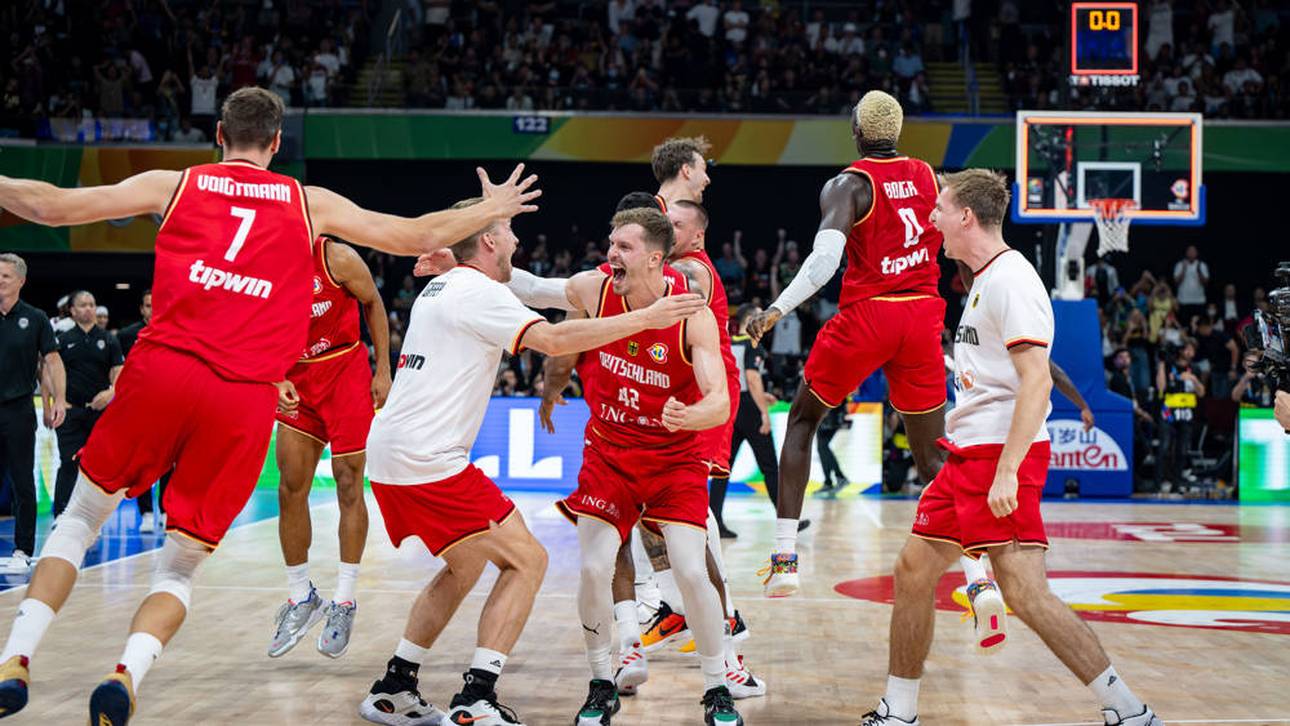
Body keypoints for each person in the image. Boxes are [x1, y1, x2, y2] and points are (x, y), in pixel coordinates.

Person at [0, 86, 541, 725]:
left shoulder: (175, 184)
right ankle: (127, 672)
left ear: (219, 137)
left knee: (83, 515)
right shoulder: (308, 204)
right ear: (278, 143)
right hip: (243, 395)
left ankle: (16, 660)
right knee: (178, 566)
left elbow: (51, 205)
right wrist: (492, 205)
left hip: (169, 370)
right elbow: (412, 235)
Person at [358, 198, 705, 726]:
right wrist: (645, 317)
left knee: (467, 561)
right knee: (528, 560)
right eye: (508, 230)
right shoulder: (476, 292)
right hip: (429, 460)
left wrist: (458, 259)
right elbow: (554, 337)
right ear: (490, 242)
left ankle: (395, 686)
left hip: (393, 452)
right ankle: (476, 697)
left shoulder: (450, 285)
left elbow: (526, 289)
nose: (518, 239)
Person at [860, 168, 1161, 726]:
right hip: (968, 453)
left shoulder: (1011, 280)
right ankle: (898, 711)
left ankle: (1129, 709)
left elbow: (1038, 380)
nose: (932, 219)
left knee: (1025, 592)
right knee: (913, 570)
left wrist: (1006, 471)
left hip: (1000, 455)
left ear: (966, 217)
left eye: (940, 209)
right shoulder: (983, 278)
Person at [746, 91, 949, 599]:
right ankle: (978, 580)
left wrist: (776, 309)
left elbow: (823, 263)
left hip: (870, 314)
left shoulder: (849, 183)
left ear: (856, 132)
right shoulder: (930, 177)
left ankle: (785, 559)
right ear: (897, 133)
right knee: (933, 459)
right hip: (923, 313)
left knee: (802, 420)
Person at [544, 208, 741, 725]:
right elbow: (537, 288)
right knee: (591, 567)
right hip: (609, 451)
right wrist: (459, 261)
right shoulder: (595, 289)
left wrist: (693, 413)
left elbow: (719, 402)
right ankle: (599, 682)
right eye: (611, 243)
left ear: (655, 258)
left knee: (692, 570)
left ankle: (717, 685)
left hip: (673, 458)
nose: (612, 252)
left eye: (624, 247)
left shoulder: (689, 313)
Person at [267, 234, 392, 661]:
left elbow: (374, 302)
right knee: (290, 485)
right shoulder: (260, 263)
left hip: (345, 373)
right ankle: (302, 595)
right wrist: (271, 377)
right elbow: (251, 328)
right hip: (296, 379)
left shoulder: (335, 255)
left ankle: (344, 599)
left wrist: (383, 370)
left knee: (348, 484)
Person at [0, 253, 66, 574]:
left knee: (23, 481)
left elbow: (51, 362)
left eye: (5, 276)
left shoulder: (35, 318)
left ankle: (23, 550)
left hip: (18, 409)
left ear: (21, 281)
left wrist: (59, 400)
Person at [50, 291, 123, 519]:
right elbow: (49, 372)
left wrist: (111, 392)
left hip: (99, 413)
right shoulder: (62, 340)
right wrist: (58, 401)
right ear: (72, 311)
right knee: (68, 462)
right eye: (83, 305)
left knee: (97, 467)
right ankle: (62, 513)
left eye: (92, 304)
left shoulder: (109, 339)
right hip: (71, 412)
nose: (89, 309)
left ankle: (92, 517)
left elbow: (119, 371)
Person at [720, 304, 779, 535]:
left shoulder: (729, 343)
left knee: (723, 468)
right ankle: (787, 520)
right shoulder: (752, 343)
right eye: (761, 315)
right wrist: (764, 413)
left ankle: (715, 520)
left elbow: (737, 380)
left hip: (732, 407)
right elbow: (752, 378)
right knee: (770, 468)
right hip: (751, 411)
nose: (765, 320)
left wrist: (762, 395)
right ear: (750, 318)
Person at [115, 290, 167, 532]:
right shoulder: (126, 335)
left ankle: (166, 510)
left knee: (170, 462)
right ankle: (145, 512)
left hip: (170, 403)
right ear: (142, 309)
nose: (152, 309)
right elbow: (119, 370)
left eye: (156, 305)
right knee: (143, 462)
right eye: (148, 305)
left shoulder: (176, 330)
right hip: (139, 404)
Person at [1172, 245, 1208, 328]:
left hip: (1199, 301)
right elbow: (1176, 282)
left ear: (1196, 253)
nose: (1191, 253)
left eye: (1193, 251)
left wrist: (1199, 271)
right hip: (1184, 301)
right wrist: (1183, 269)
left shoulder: (1202, 265)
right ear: (1186, 253)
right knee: (1185, 325)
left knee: (1198, 326)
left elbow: (1205, 283)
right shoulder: (1180, 265)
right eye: (1189, 251)